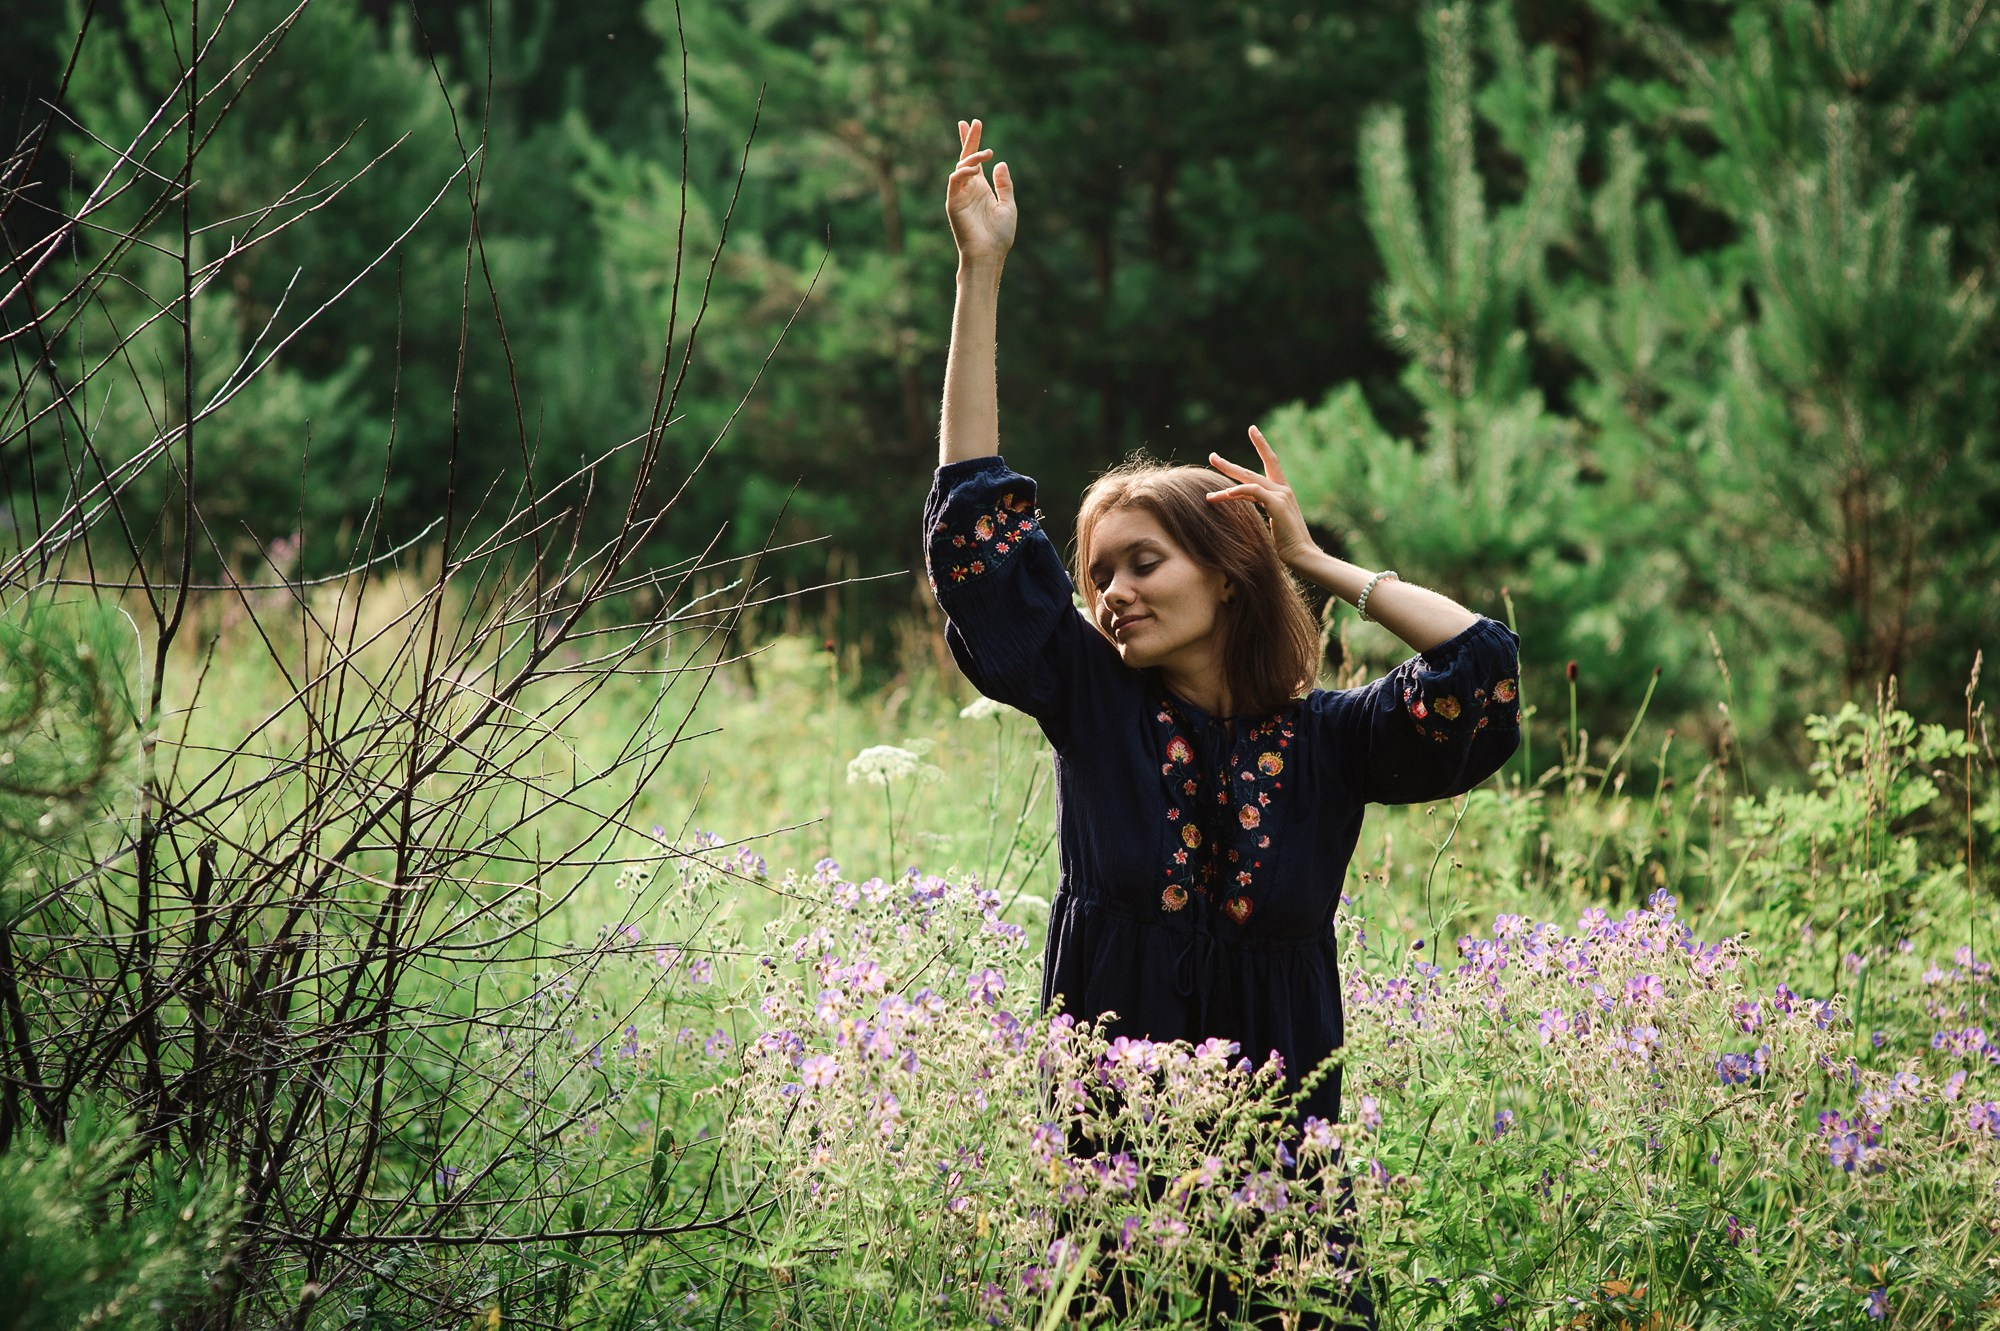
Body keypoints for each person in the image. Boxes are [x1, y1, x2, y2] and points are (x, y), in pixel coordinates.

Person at [929, 118, 1522, 1328]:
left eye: (1141, 561)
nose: (1110, 593)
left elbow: (1478, 667)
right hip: (1109, 1174)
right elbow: (976, 526)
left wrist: (1317, 559)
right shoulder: (1091, 706)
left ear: (1226, 572)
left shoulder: (1332, 743)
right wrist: (977, 274)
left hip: (1282, 1199)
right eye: (1096, 572)